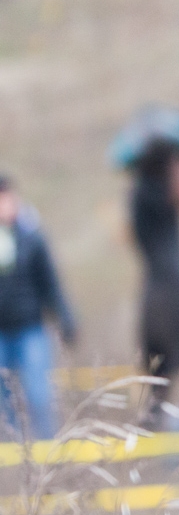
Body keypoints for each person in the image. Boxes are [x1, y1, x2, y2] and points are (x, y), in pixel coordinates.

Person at [114, 106, 179, 429]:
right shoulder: (154, 194)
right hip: (173, 297)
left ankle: (154, 450)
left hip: (153, 299)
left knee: (159, 384)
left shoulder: (140, 193)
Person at [0, 175, 77, 439]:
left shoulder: (31, 237)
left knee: (39, 394)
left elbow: (50, 282)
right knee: (4, 402)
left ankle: (46, 452)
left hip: (30, 328)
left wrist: (66, 318)